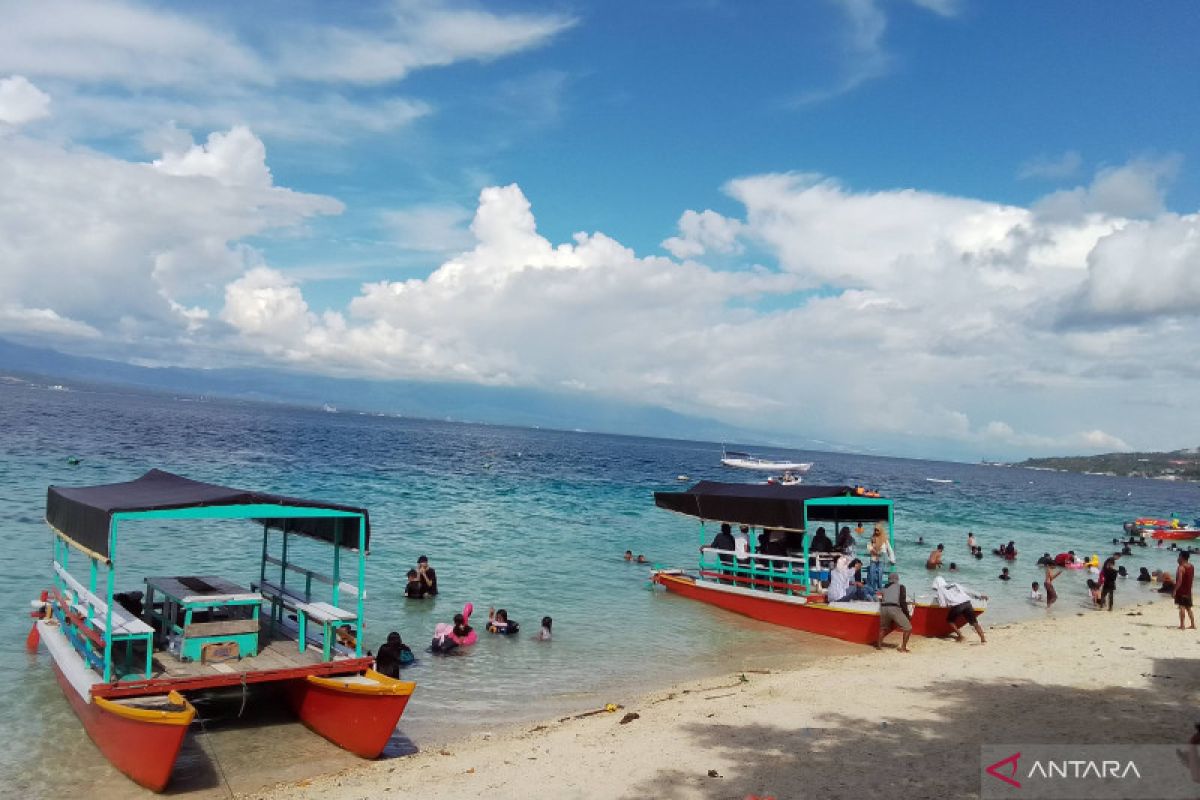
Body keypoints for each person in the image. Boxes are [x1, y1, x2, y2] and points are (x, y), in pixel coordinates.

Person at [931, 576, 987, 643]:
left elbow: (943, 604)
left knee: (950, 620)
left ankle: (960, 636)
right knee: (975, 623)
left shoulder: (940, 589)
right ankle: (983, 639)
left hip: (957, 606)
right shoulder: (954, 584)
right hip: (967, 603)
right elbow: (968, 591)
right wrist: (979, 596)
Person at [876, 573, 911, 653]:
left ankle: (879, 646)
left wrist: (882, 601)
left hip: (883, 608)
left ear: (889, 579)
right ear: (897, 579)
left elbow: (878, 595)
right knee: (908, 628)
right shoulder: (901, 587)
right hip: (894, 608)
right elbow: (902, 602)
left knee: (883, 628)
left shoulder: (884, 587)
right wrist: (907, 614)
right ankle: (903, 648)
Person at [866, 524, 895, 595]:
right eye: (875, 530)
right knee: (872, 573)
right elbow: (868, 546)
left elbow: (889, 549)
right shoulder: (872, 538)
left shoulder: (884, 539)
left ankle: (879, 589)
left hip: (882, 557)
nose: (876, 532)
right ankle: (872, 589)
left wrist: (892, 559)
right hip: (873, 557)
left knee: (879, 573)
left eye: (877, 530)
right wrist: (873, 550)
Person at [1176, 552, 1195, 630]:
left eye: (1179, 556)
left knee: (1182, 607)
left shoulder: (1181, 567)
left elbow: (1179, 581)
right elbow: (1191, 578)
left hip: (1181, 590)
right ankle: (1193, 625)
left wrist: (1175, 590)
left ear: (1182, 557)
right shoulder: (1191, 566)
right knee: (1188, 608)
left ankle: (1182, 625)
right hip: (1188, 591)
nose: (1178, 558)